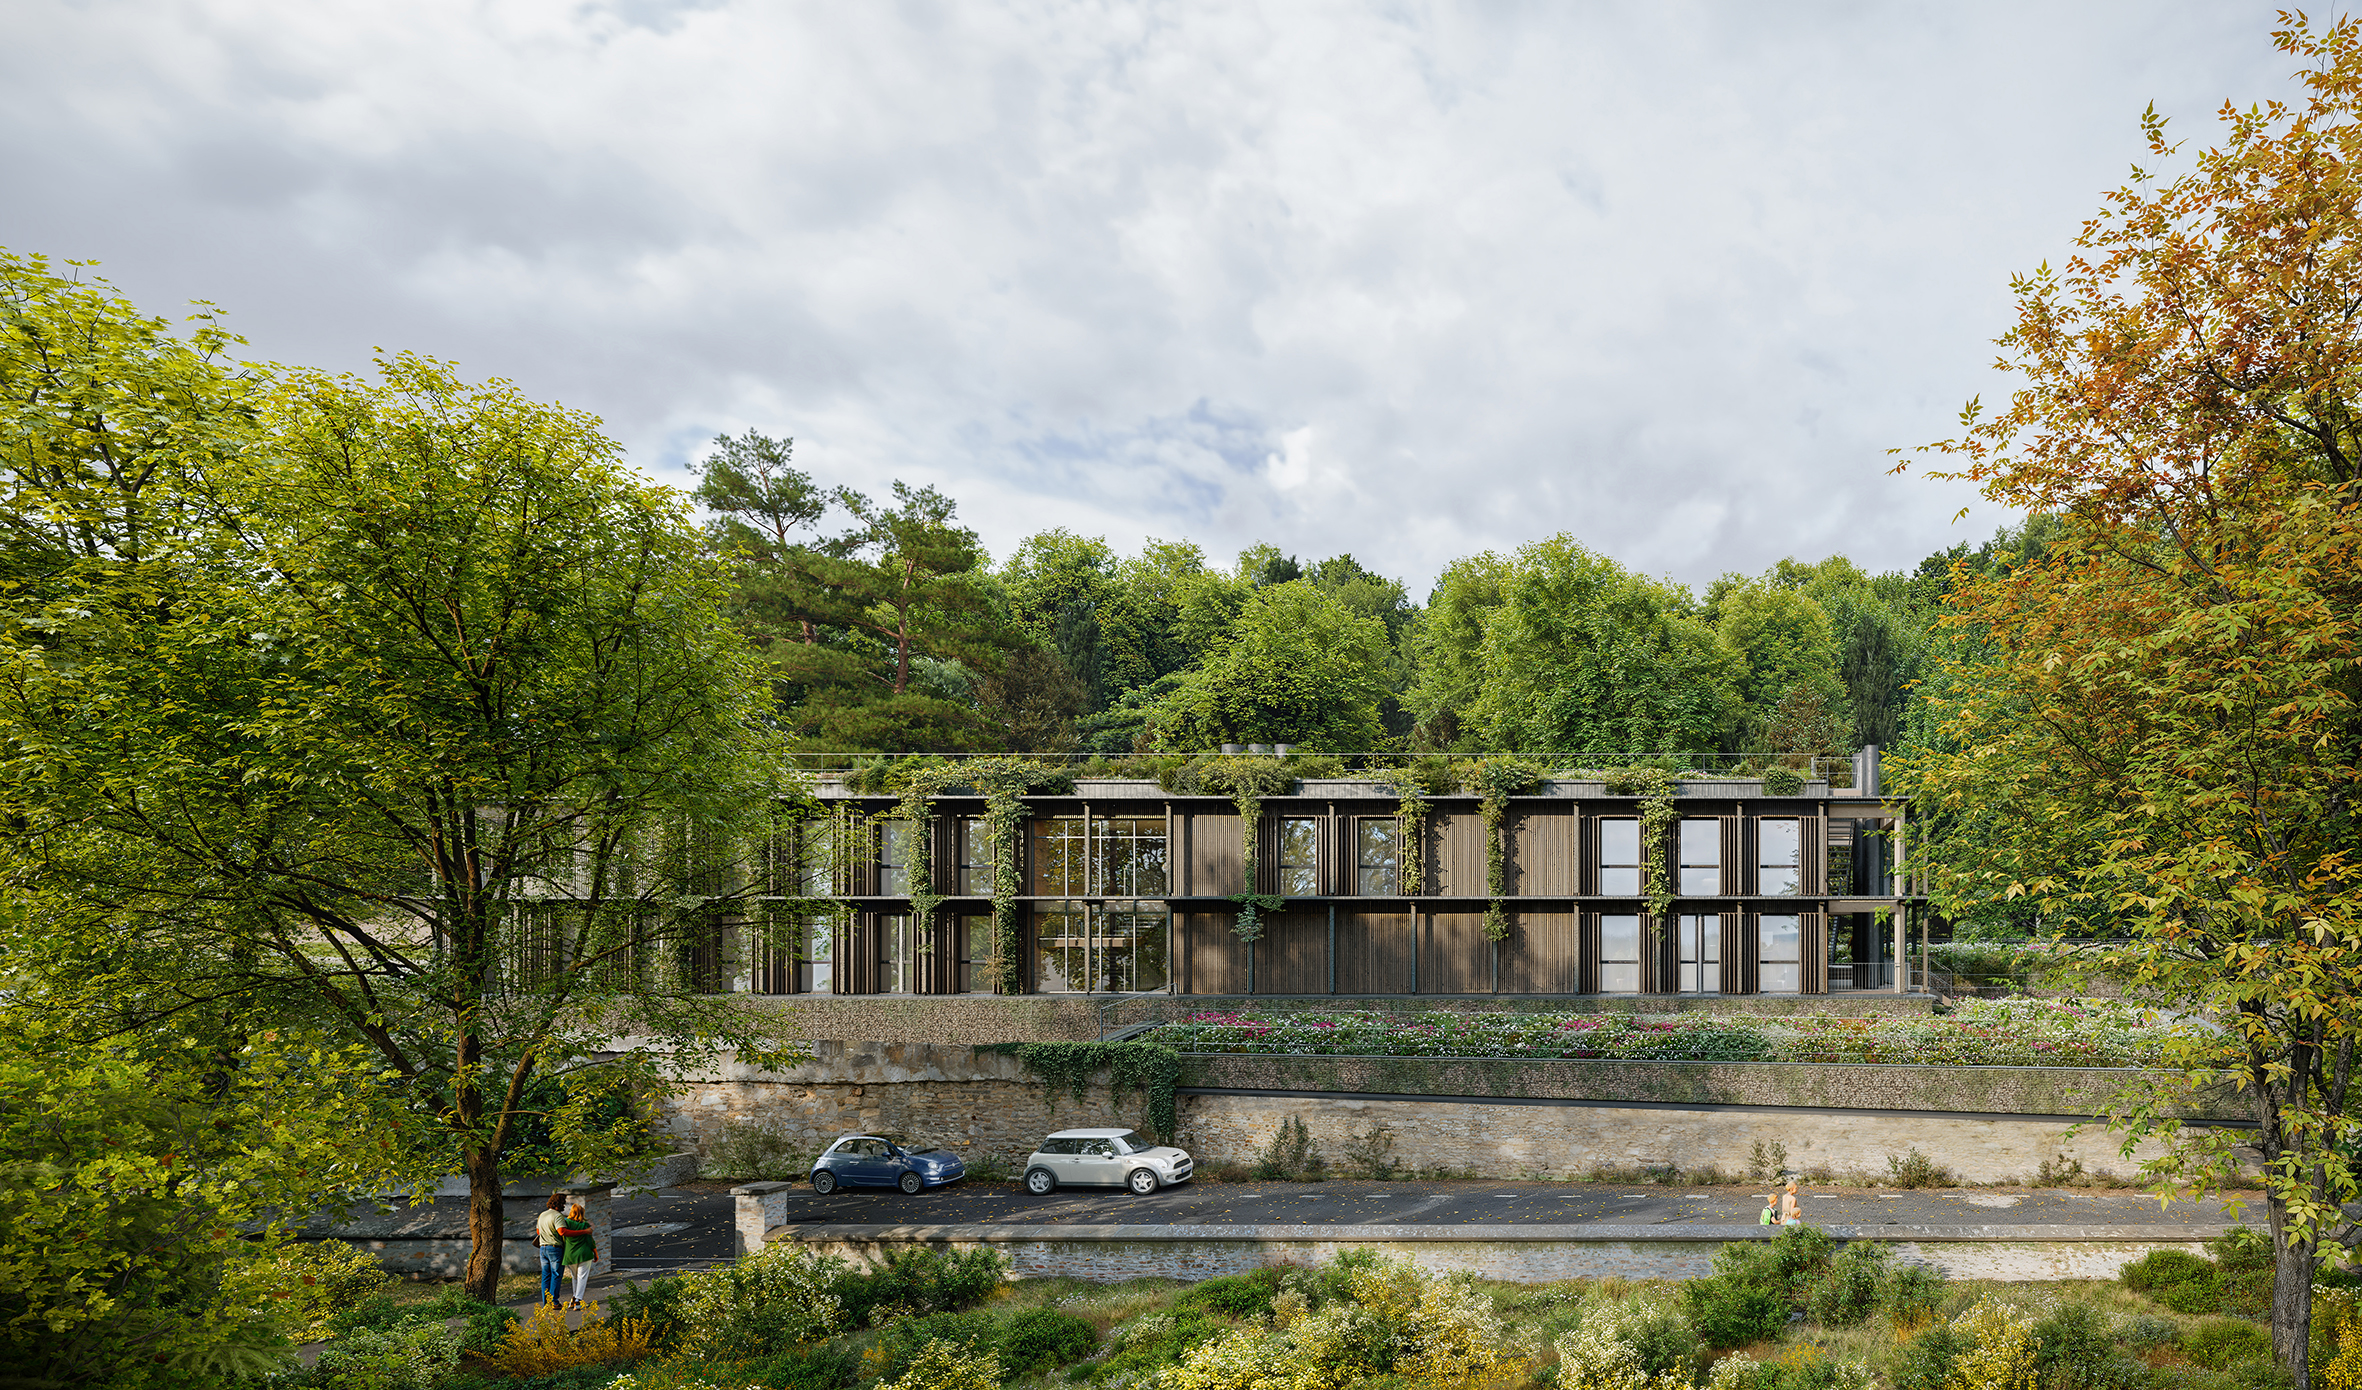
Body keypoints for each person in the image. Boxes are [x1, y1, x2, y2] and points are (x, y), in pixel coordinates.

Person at [558, 1200, 598, 1310]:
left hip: (570, 1254)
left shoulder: (566, 1223)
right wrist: (595, 1252)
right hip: (584, 1253)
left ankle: (574, 1298)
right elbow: (590, 1241)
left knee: (575, 1277)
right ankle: (578, 1300)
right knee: (582, 1277)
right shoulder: (585, 1225)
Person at [533, 1194, 567, 1307]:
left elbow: (538, 1232)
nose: (564, 1205)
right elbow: (561, 1231)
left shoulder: (542, 1215)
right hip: (554, 1248)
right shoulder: (557, 1216)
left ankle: (546, 1302)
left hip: (542, 1248)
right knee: (556, 1274)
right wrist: (583, 1232)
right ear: (559, 1204)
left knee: (546, 1276)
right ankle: (554, 1302)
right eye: (563, 1203)